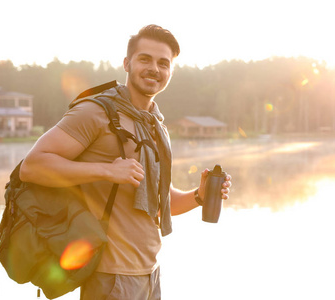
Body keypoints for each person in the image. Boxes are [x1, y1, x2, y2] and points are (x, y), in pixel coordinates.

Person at [19, 24, 232, 300]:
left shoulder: (155, 125)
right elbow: (32, 166)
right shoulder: (96, 112)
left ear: (170, 72)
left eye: (163, 63)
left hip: (149, 273)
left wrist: (200, 195)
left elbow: (159, 203)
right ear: (127, 63)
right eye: (145, 59)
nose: (154, 68)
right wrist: (108, 170)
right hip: (110, 277)